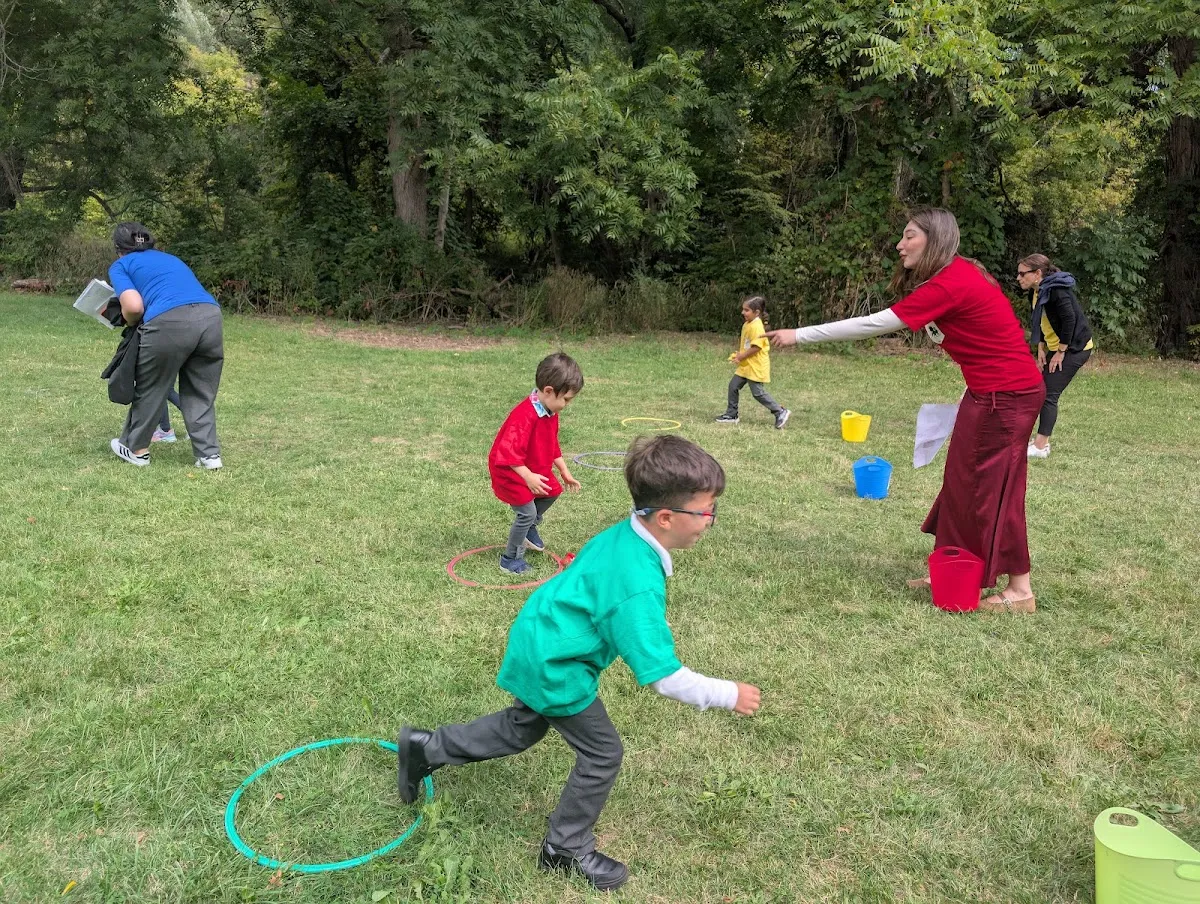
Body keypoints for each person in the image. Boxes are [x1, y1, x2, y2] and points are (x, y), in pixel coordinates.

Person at [397, 434, 762, 891]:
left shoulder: (630, 531)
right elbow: (665, 677)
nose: (710, 520)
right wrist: (727, 693)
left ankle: (426, 748)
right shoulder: (635, 583)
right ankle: (565, 848)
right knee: (602, 752)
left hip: (541, 635)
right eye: (707, 511)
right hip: (557, 663)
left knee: (522, 727)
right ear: (666, 517)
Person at [767, 208, 1046, 614]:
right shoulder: (955, 275)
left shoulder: (952, 282)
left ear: (935, 239)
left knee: (994, 488)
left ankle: (1020, 589)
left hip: (1007, 397)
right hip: (986, 392)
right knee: (960, 482)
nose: (900, 244)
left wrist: (799, 335)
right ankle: (953, 568)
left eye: (910, 235)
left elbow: (874, 324)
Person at [106, 223, 224, 469]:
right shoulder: (170, 258)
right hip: (211, 317)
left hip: (169, 322)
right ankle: (209, 455)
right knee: (200, 390)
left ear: (119, 248)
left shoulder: (121, 265)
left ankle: (136, 450)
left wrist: (129, 321)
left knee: (152, 385)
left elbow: (134, 307)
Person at [488, 353, 583, 575]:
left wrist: (564, 471)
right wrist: (528, 477)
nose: (567, 405)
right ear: (548, 391)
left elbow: (552, 444)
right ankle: (510, 559)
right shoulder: (524, 416)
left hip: (532, 468)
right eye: (566, 399)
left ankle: (529, 529)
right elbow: (508, 453)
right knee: (526, 512)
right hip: (510, 472)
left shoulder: (550, 411)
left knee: (552, 490)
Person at [1016, 254, 1094, 460]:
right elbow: (1039, 320)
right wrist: (1041, 348)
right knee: (1040, 390)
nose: (1018, 278)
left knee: (1049, 393)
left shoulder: (1058, 291)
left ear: (1037, 273)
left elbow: (1070, 320)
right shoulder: (1036, 292)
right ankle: (1039, 442)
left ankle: (1041, 446)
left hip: (1076, 348)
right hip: (1055, 346)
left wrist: (1060, 353)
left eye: (1022, 274)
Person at [715, 295, 791, 429]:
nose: (743, 312)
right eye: (743, 309)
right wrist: (739, 355)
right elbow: (747, 344)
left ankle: (780, 411)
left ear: (756, 312)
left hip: (756, 366)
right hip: (746, 365)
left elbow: (756, 347)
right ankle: (731, 415)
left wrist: (741, 356)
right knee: (733, 386)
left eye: (746, 310)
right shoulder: (748, 324)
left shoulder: (756, 326)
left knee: (758, 393)